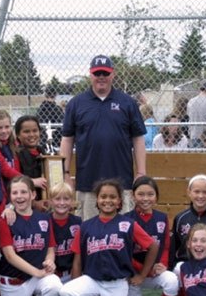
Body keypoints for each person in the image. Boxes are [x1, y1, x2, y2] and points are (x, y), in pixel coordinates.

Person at [59, 179, 156, 296]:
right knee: (67, 293)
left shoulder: (127, 224)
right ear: (97, 200)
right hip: (92, 279)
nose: (107, 200)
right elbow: (78, 259)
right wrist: (77, 284)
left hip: (116, 283)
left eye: (113, 197)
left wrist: (142, 275)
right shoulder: (86, 226)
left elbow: (153, 246)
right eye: (103, 196)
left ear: (120, 201)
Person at [60, 55, 146, 220]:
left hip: (122, 181)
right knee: (89, 231)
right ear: (90, 75)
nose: (101, 77)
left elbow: (138, 138)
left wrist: (141, 172)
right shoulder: (76, 103)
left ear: (112, 74)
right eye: (97, 73)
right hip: (88, 182)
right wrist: (65, 173)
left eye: (105, 73)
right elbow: (67, 139)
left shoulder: (127, 102)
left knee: (123, 231)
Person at [0, 175, 62, 296]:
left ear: (33, 195)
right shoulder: (5, 219)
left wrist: (50, 261)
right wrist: (38, 272)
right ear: (10, 196)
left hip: (36, 277)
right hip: (14, 281)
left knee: (54, 283)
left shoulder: (44, 219)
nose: (19, 196)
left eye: (24, 192)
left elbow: (50, 248)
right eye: (15, 193)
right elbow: (10, 256)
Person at [123, 177, 179, 296]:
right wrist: (141, 272)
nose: (145, 198)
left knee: (172, 279)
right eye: (141, 194)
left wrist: (163, 264)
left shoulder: (161, 218)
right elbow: (125, 254)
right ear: (133, 196)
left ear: (156, 197)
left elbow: (166, 246)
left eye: (150, 194)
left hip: (153, 272)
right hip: (133, 275)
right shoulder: (126, 219)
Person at [48, 181, 82, 296]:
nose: (62, 203)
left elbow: (79, 255)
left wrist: (76, 280)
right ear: (50, 201)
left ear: (72, 201)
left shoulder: (78, 223)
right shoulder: (43, 221)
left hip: (68, 275)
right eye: (57, 199)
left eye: (66, 199)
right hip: (48, 277)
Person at [14, 115, 49, 210]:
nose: (32, 135)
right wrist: (33, 203)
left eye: (35, 130)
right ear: (18, 134)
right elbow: (15, 182)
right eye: (26, 131)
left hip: (45, 202)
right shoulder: (17, 154)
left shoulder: (43, 152)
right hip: (26, 205)